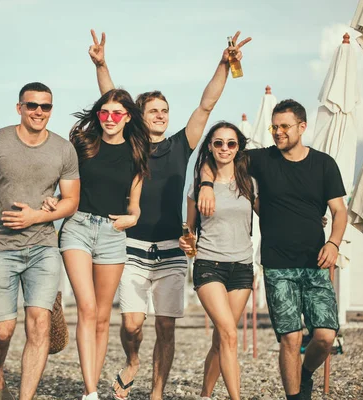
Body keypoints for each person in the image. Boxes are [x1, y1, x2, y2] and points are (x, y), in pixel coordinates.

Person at [88, 29, 251, 400]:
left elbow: (206, 106)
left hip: (171, 250)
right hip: (130, 245)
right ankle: (132, 361)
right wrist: (101, 65)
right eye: (153, 112)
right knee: (132, 324)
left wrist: (223, 64)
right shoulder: (132, 144)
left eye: (164, 111)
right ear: (139, 118)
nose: (161, 116)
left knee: (165, 327)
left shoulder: (181, 145)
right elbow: (111, 101)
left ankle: (156, 393)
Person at [198, 99, 347, 400]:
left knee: (325, 337)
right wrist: (204, 184)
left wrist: (333, 242)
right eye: (274, 127)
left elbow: (340, 212)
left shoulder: (324, 164)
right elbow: (218, 156)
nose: (278, 132)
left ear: (302, 127)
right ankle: (296, 397)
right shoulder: (262, 160)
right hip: (277, 265)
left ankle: (305, 374)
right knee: (290, 339)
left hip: (316, 262)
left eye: (285, 127)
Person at [0, 82, 80, 400]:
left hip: (43, 246)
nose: (39, 112)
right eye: (32, 105)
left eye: (45, 107)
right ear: (19, 108)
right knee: (1, 331)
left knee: (39, 324)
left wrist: (37, 217)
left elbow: (71, 200)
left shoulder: (63, 149)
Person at [58, 88, 150, 400]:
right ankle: (90, 392)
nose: (109, 119)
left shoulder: (137, 152)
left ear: (127, 118)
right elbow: (65, 187)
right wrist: (52, 201)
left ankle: (91, 387)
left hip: (113, 234)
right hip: (78, 228)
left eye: (117, 113)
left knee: (101, 317)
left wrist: (132, 218)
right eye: (104, 112)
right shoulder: (83, 144)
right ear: (98, 114)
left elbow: (135, 206)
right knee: (86, 307)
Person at [180, 122, 256, 400]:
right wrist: (186, 239)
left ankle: (204, 395)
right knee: (230, 335)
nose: (225, 148)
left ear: (239, 147)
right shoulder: (199, 184)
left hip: (242, 268)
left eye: (231, 143)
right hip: (210, 265)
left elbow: (272, 213)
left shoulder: (250, 182)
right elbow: (188, 228)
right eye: (218, 143)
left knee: (220, 339)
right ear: (210, 146)